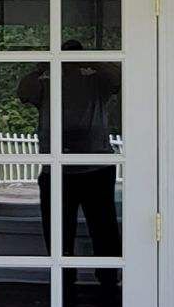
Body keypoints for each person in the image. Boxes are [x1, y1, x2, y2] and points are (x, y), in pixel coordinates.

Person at [17, 42, 122, 284]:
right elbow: (23, 92)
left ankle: (108, 276)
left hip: (94, 165)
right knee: (57, 230)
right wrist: (41, 67)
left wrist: (91, 62)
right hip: (57, 167)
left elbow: (119, 77)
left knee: (103, 227)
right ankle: (62, 277)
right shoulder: (46, 82)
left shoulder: (96, 82)